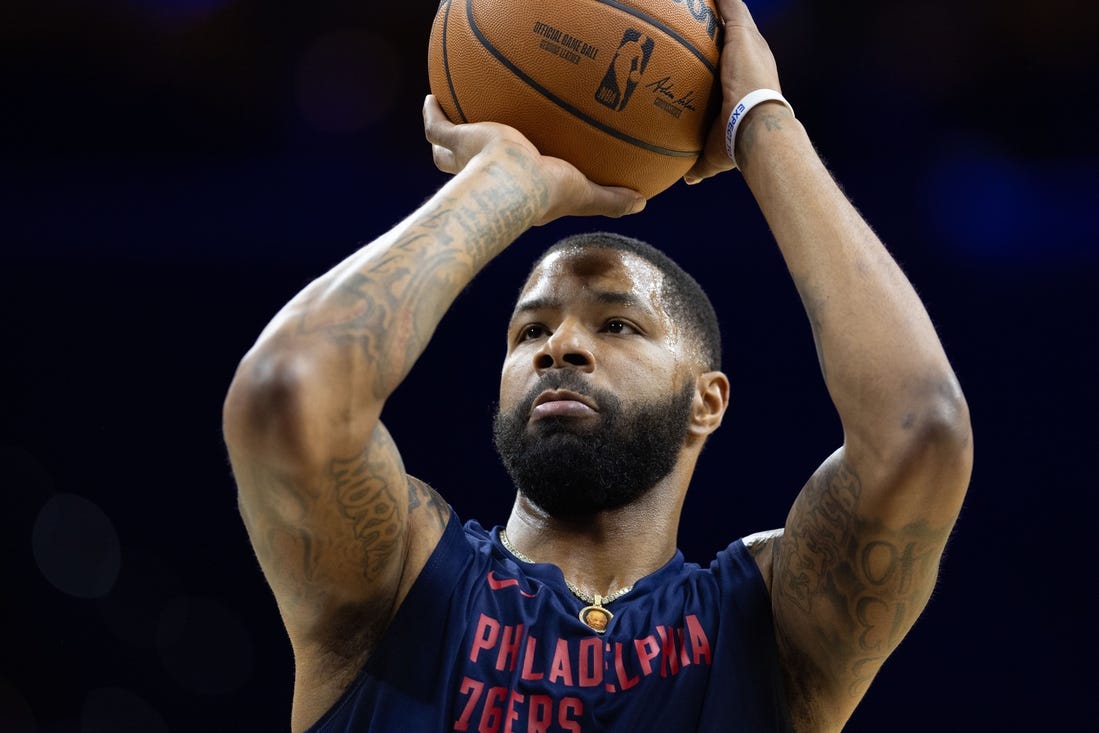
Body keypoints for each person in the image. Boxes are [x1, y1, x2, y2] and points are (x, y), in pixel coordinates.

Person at [221, 1, 973, 730]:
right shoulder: (401, 583)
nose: (560, 346)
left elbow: (920, 433)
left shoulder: (764, 632)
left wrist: (761, 122)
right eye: (528, 332)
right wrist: (506, 183)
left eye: (616, 323)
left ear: (706, 401)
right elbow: (285, 393)